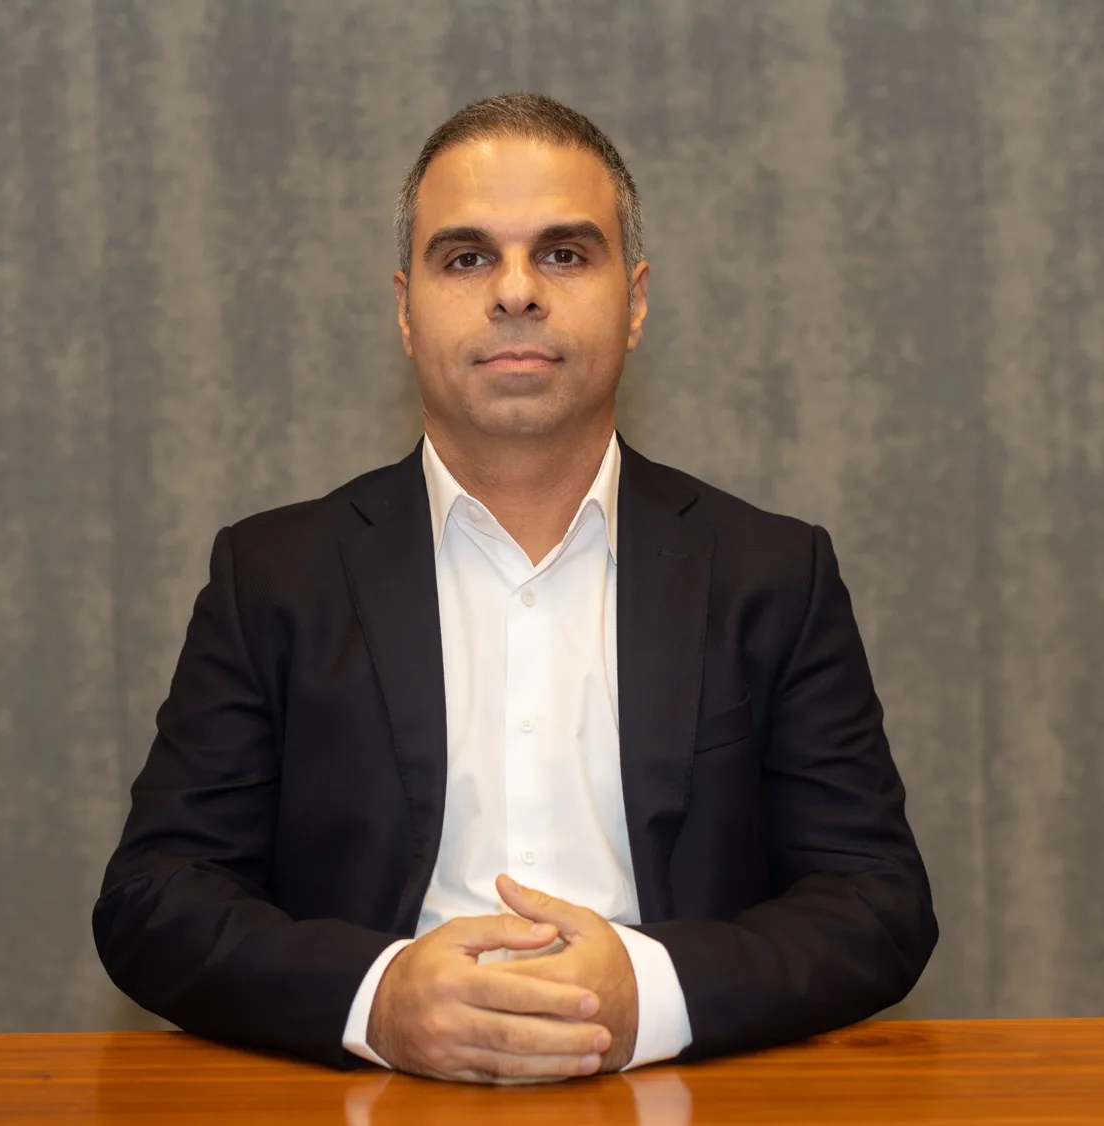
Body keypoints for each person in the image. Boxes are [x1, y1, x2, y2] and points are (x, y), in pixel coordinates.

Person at [92, 93, 935, 1084]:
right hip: (372, 1095)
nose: (516, 291)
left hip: (681, 1090)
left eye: (564, 254)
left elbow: (874, 902)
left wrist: (647, 992)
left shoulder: (769, 573)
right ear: (405, 309)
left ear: (634, 297)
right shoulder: (274, 575)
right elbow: (155, 898)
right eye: (467, 257)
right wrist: (379, 996)